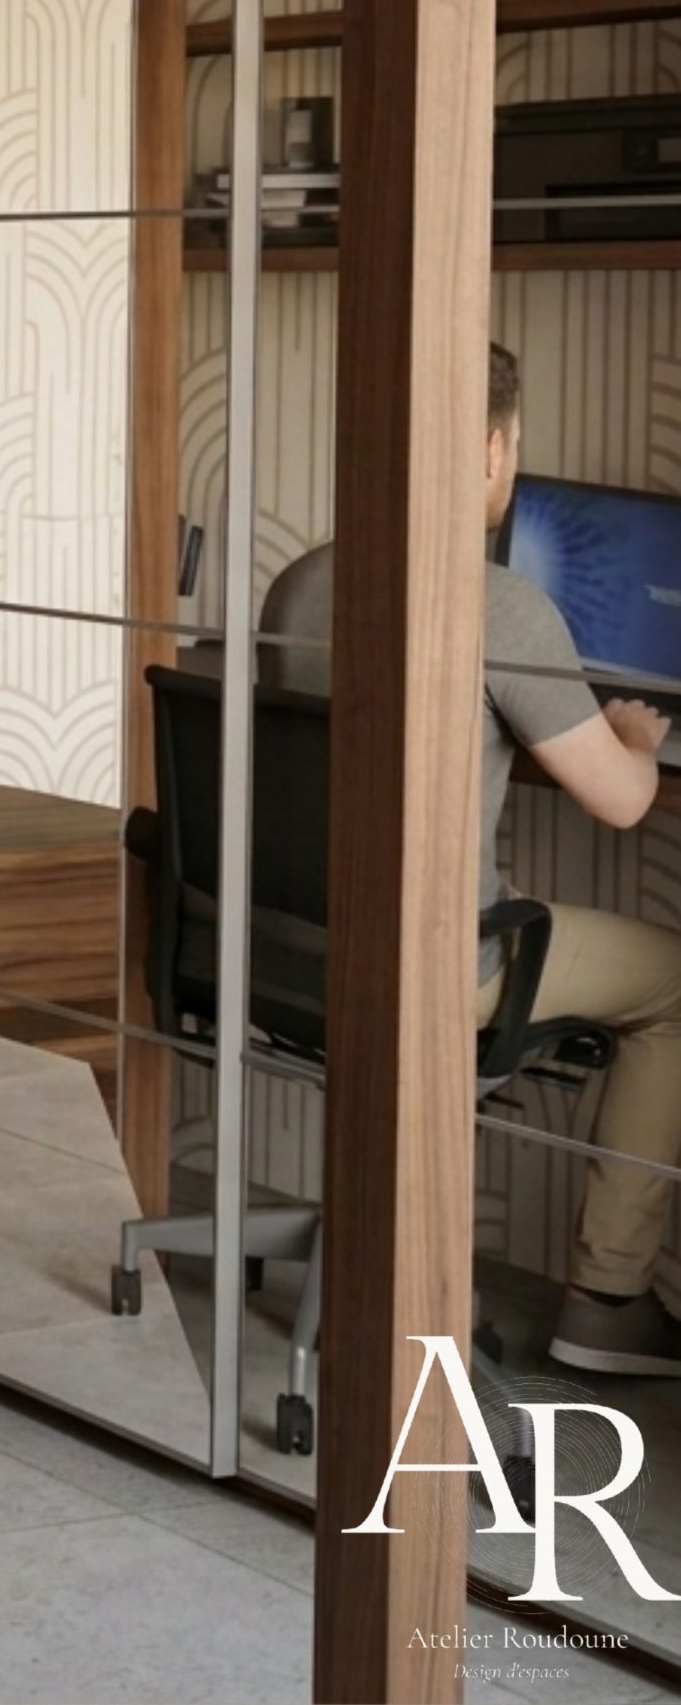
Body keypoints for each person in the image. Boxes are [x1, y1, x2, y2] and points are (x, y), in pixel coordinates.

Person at [261, 339, 681, 1378]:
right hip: (439, 954)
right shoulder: (498, 605)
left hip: (297, 937)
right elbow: (621, 802)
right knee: (677, 983)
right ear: (492, 448)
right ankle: (606, 1300)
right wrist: (631, 734)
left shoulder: (305, 580)